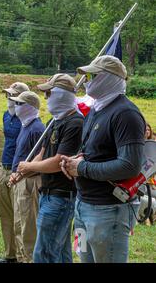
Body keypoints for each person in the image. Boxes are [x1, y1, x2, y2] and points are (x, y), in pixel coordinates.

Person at [61, 55, 146, 263]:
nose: (87, 81)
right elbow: (95, 152)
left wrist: (82, 169)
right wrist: (75, 161)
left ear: (109, 78)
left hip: (108, 211)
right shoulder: (96, 110)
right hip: (83, 206)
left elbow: (130, 166)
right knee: (84, 258)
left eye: (92, 75)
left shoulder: (126, 114)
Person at [10, 74, 84, 263]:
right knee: (60, 251)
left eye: (49, 93)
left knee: (44, 253)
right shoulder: (55, 121)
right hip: (48, 194)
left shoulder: (75, 122)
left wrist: (28, 166)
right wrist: (22, 173)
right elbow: (42, 154)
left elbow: (59, 161)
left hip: (61, 196)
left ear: (61, 94)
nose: (46, 98)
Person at [0, 82, 29, 263]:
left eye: (13, 96)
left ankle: (23, 256)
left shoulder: (27, 121)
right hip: (4, 168)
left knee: (19, 217)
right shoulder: (6, 117)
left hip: (18, 172)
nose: (9, 99)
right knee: (5, 214)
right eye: (7, 95)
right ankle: (10, 255)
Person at [8, 91, 45, 263]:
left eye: (20, 104)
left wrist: (21, 174)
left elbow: (40, 161)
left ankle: (30, 259)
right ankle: (22, 258)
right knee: (18, 225)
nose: (16, 106)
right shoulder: (25, 126)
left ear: (30, 107)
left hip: (30, 182)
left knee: (28, 227)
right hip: (20, 180)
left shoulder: (37, 129)